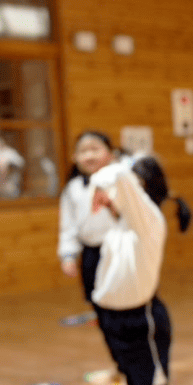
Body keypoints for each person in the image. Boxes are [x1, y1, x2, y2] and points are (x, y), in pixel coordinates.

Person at [88, 156, 193, 385]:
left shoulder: (148, 219)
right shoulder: (120, 227)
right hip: (116, 322)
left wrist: (104, 178)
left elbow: (118, 174)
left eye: (124, 189)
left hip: (142, 323)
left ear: (140, 191)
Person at [59, 131, 117, 312]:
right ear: (74, 157)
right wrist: (68, 255)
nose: (89, 155)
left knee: (121, 296)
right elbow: (68, 225)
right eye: (83, 151)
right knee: (96, 300)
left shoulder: (120, 182)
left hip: (118, 250)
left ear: (110, 154)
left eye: (95, 149)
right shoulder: (73, 188)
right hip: (90, 252)